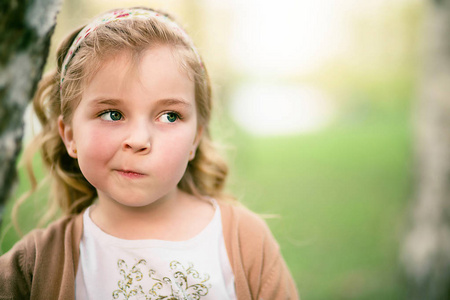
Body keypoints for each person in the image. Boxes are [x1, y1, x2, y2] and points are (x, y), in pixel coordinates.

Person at [0, 7, 298, 300]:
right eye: (112, 114)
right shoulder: (34, 265)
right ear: (70, 135)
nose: (139, 140)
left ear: (195, 138)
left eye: (169, 116)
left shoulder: (244, 241)